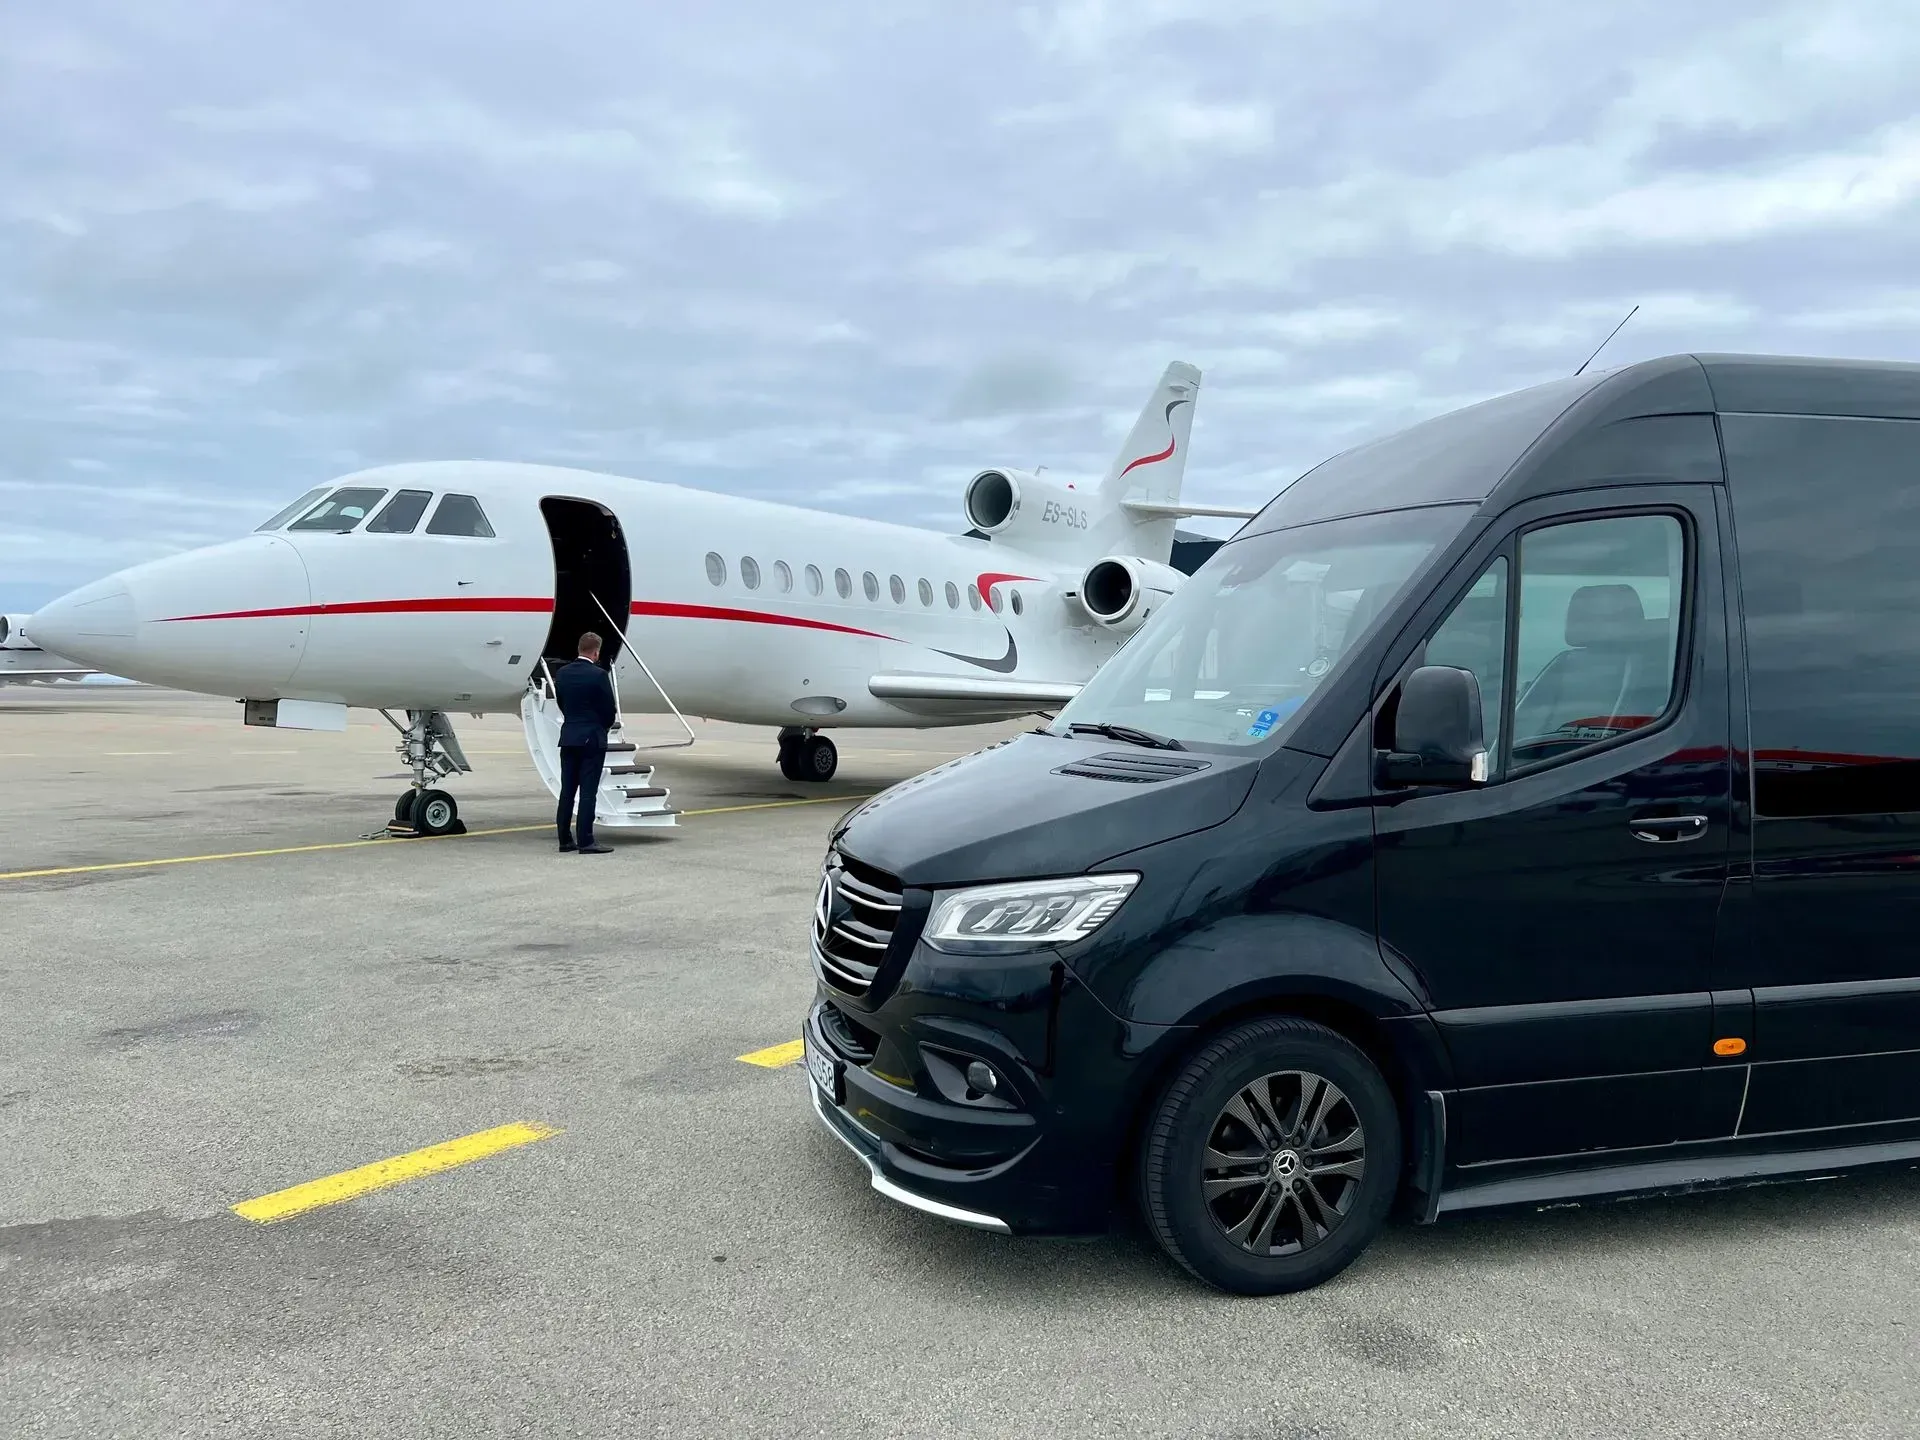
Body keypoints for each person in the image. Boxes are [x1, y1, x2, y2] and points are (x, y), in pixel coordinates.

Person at [554, 632, 618, 854]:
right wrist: (601, 727)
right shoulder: (599, 675)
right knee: (588, 792)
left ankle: (564, 839)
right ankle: (586, 840)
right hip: (592, 739)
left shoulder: (562, 674)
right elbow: (610, 710)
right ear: (596, 652)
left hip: (569, 736)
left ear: (579, 649)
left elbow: (561, 703)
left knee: (567, 791)